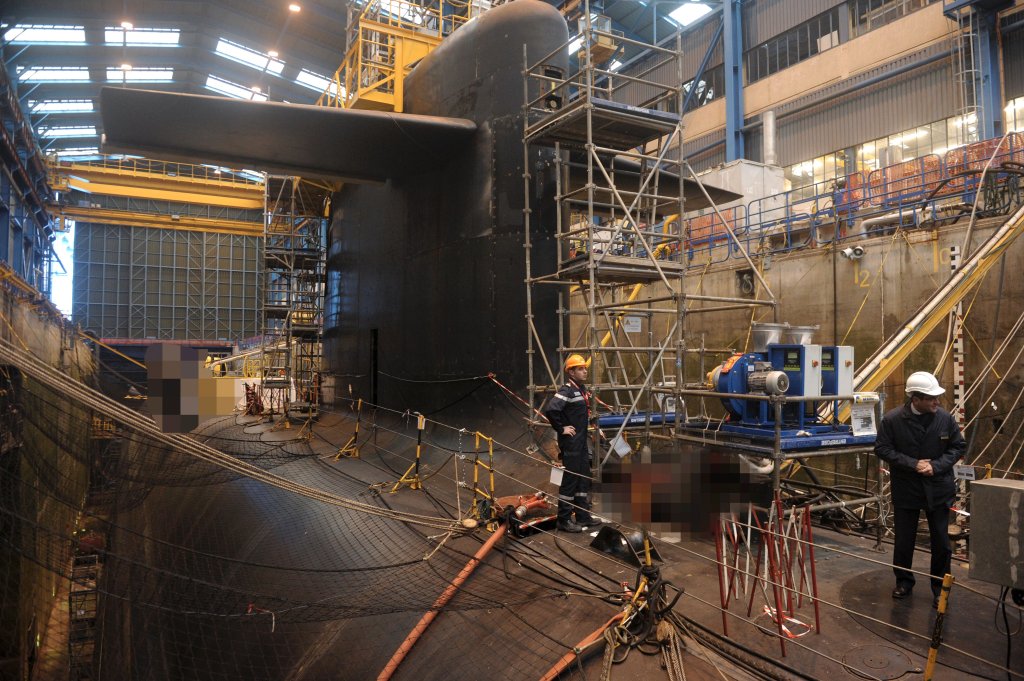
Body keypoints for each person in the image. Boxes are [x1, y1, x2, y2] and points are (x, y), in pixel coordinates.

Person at [874, 371, 966, 607]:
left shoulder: (945, 419)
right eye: (931, 398)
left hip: (938, 489)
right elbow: (882, 449)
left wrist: (935, 466)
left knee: (941, 543)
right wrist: (912, 464)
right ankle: (904, 582)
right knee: (904, 540)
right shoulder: (892, 420)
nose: (937, 402)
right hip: (907, 489)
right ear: (916, 399)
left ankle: (940, 588)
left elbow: (957, 448)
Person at [545, 354, 603, 533]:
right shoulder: (567, 391)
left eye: (585, 368)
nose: (585, 371)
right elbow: (551, 409)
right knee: (570, 481)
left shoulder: (581, 389)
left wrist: (594, 427)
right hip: (571, 445)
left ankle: (583, 515)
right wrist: (561, 429)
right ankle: (564, 519)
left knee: (583, 479)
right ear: (570, 372)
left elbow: (584, 412)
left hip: (581, 444)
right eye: (580, 368)